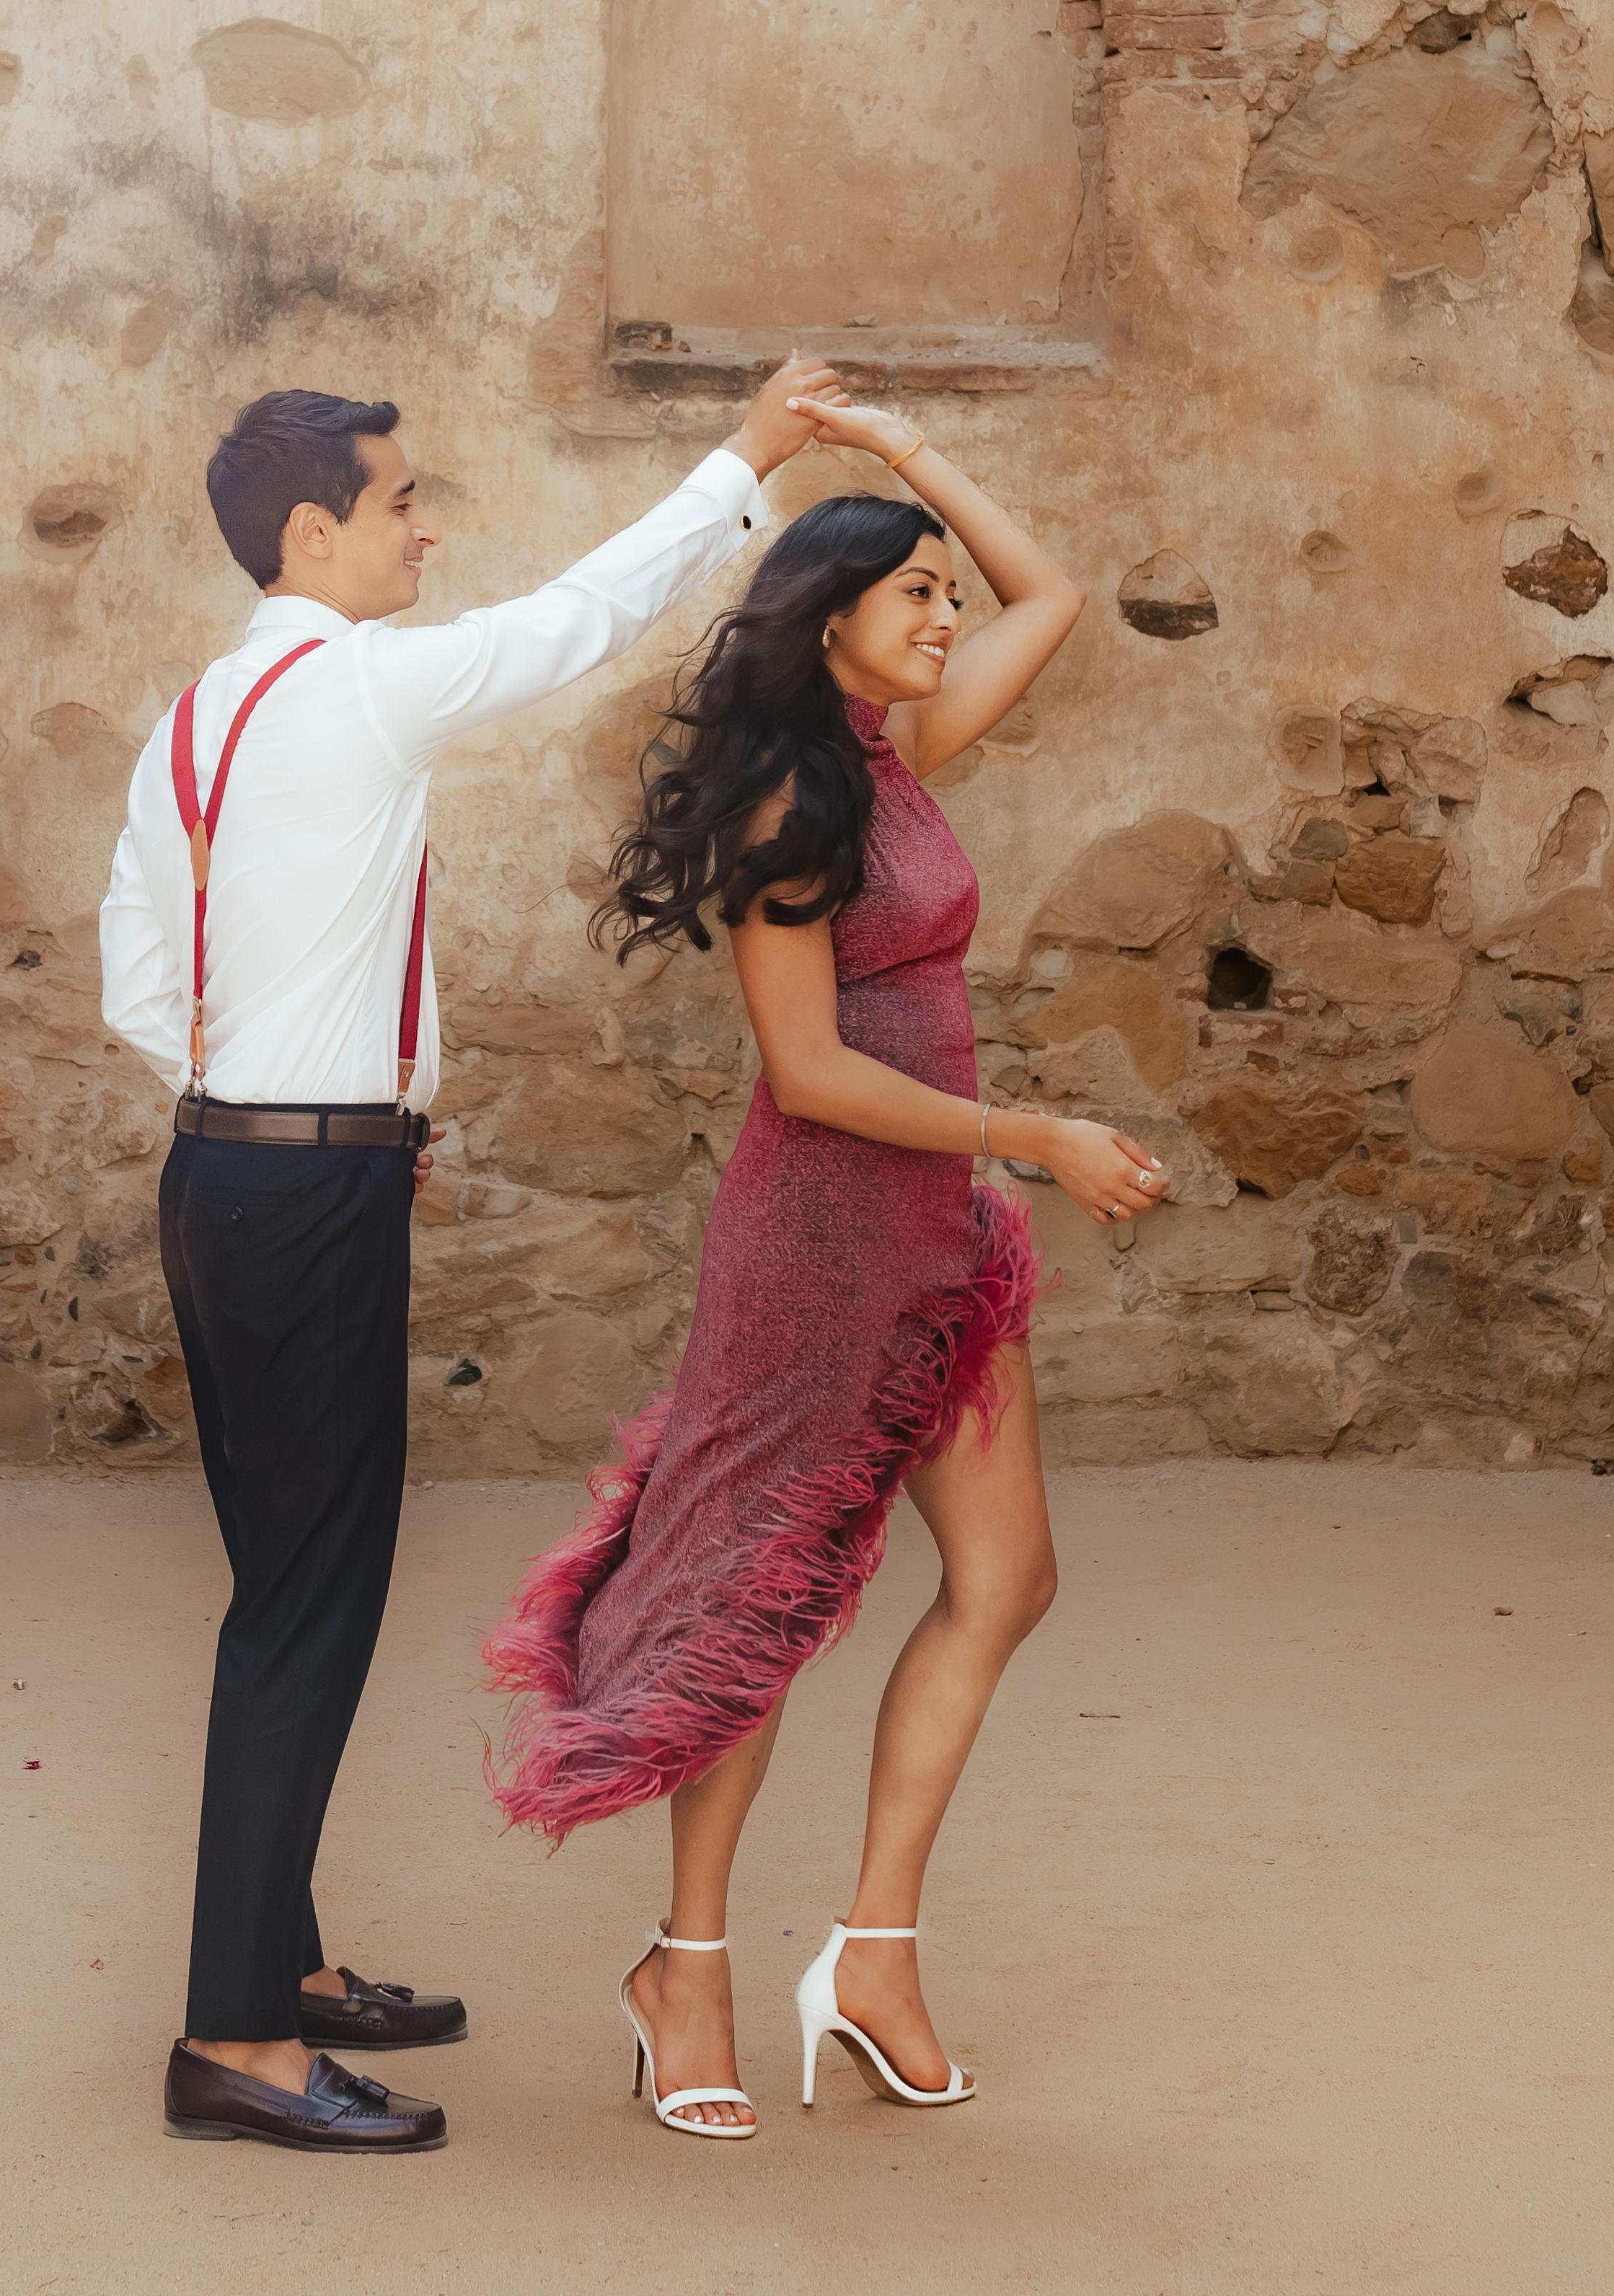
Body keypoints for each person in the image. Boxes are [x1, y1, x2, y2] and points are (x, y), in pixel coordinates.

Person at [103, 358, 839, 2154]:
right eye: (402, 499)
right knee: (307, 1608)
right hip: (303, 1199)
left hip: (221, 1173)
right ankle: (236, 2044)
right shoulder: (354, 686)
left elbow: (139, 977)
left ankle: (277, 1964)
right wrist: (745, 457)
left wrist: (316, 1108)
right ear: (313, 532)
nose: (424, 528)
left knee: (281, 1585)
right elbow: (582, 617)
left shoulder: (199, 714)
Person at [482, 396, 1161, 2142]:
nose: (947, 613)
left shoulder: (897, 754)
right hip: (816, 1245)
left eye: (942, 594)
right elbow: (808, 1074)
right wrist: (1036, 1135)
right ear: (831, 613)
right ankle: (686, 1968)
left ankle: (870, 1955)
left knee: (1005, 1580)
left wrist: (900, 452)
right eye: (913, 592)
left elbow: (1051, 595)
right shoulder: (791, 800)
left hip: (934, 1242)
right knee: (757, 1608)